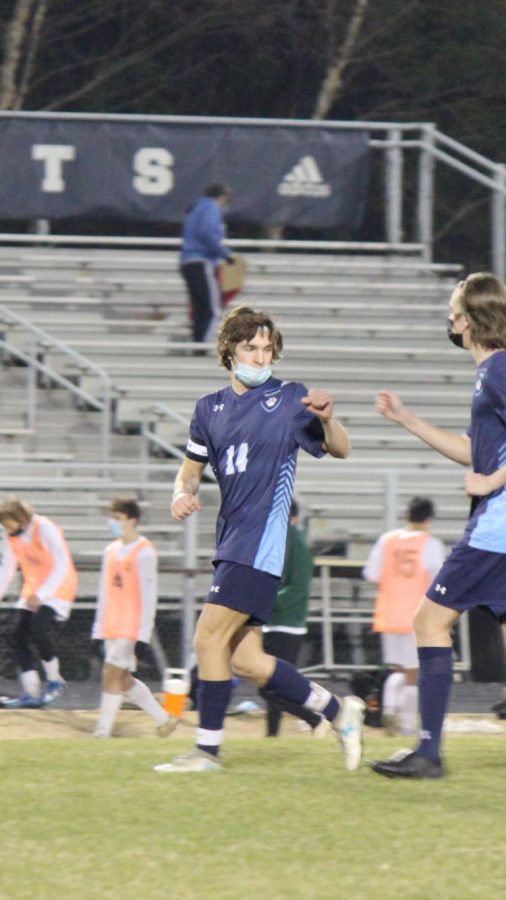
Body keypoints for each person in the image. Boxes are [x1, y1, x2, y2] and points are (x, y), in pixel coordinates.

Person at [154, 305, 365, 773]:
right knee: (248, 662)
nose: (261, 356)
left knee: (206, 639)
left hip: (260, 545)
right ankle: (336, 711)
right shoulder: (208, 409)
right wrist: (179, 495)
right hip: (231, 542)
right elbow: (189, 473)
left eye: (268, 348)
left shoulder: (291, 398)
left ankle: (206, 751)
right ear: (229, 349)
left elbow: (342, 448)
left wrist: (329, 420)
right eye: (252, 347)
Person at [370, 272, 506, 778]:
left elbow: (487, 465)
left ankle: (428, 752)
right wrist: (407, 418)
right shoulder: (489, 372)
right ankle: (426, 750)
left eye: (454, 309)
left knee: (429, 622)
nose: (449, 317)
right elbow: (475, 451)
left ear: (472, 319)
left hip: (496, 528)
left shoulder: (497, 371)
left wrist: (493, 479)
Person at [92, 497, 176, 738]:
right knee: (124, 679)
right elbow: (103, 592)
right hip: (112, 624)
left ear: (133, 521)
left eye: (117, 518)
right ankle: (164, 720)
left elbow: (149, 596)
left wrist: (143, 635)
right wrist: (97, 631)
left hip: (131, 626)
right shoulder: (110, 551)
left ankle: (102, 732)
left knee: (110, 673)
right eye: (112, 518)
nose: (113, 523)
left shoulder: (145, 552)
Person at [363, 497, 446, 736]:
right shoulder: (430, 544)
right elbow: (437, 580)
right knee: (414, 674)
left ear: (406, 516)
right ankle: (408, 726)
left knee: (397, 669)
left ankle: (389, 709)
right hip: (416, 616)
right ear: (429, 519)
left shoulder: (387, 540)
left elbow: (372, 573)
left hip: (388, 614)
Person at [259, 498, 330, 738]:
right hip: (276, 623)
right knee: (269, 685)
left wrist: (265, 601)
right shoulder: (280, 540)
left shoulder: (297, 544)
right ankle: (277, 732)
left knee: (272, 686)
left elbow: (298, 588)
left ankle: (313, 718)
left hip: (287, 626)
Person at [0, 496, 77, 708]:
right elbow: (6, 569)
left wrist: (42, 595)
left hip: (59, 587)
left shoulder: (45, 528)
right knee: (16, 633)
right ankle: (31, 691)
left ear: (21, 517)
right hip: (33, 589)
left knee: (38, 629)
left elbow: (62, 564)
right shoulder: (12, 535)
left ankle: (54, 679)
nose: (6, 529)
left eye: (8, 523)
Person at [180, 183, 235, 344]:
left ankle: (198, 341)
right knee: (213, 309)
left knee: (200, 308)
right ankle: (203, 344)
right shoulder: (211, 208)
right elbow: (208, 233)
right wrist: (225, 255)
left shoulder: (196, 209)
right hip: (202, 261)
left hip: (188, 261)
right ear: (221, 197)